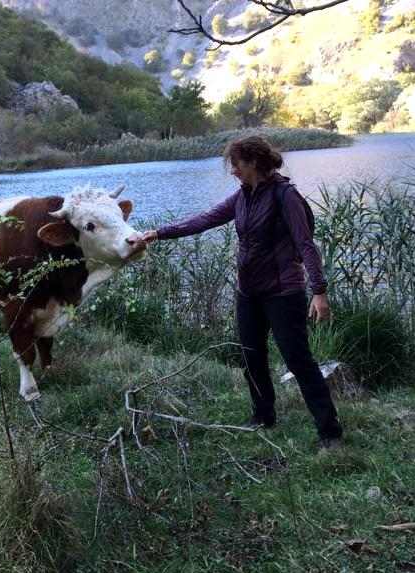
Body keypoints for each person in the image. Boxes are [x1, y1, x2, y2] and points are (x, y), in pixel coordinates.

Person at [132, 136, 344, 448]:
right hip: (249, 293)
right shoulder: (243, 196)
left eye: (237, 164)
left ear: (255, 163)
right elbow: (204, 219)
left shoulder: (285, 196)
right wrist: (159, 233)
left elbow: (305, 244)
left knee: (299, 361)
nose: (233, 170)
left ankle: (330, 432)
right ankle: (263, 416)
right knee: (251, 357)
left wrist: (319, 291)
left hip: (283, 293)